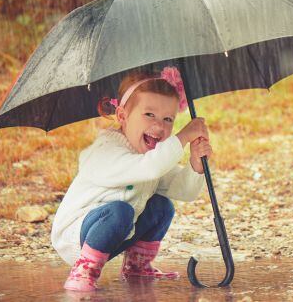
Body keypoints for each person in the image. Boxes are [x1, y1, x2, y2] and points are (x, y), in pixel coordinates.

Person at [51, 66, 212, 292]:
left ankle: (137, 265)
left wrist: (196, 163)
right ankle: (84, 269)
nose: (159, 126)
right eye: (149, 115)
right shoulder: (106, 151)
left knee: (162, 206)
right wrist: (183, 136)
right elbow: (150, 168)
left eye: (168, 119)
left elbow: (184, 190)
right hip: (78, 237)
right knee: (120, 211)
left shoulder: (150, 157)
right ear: (122, 116)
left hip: (118, 233)